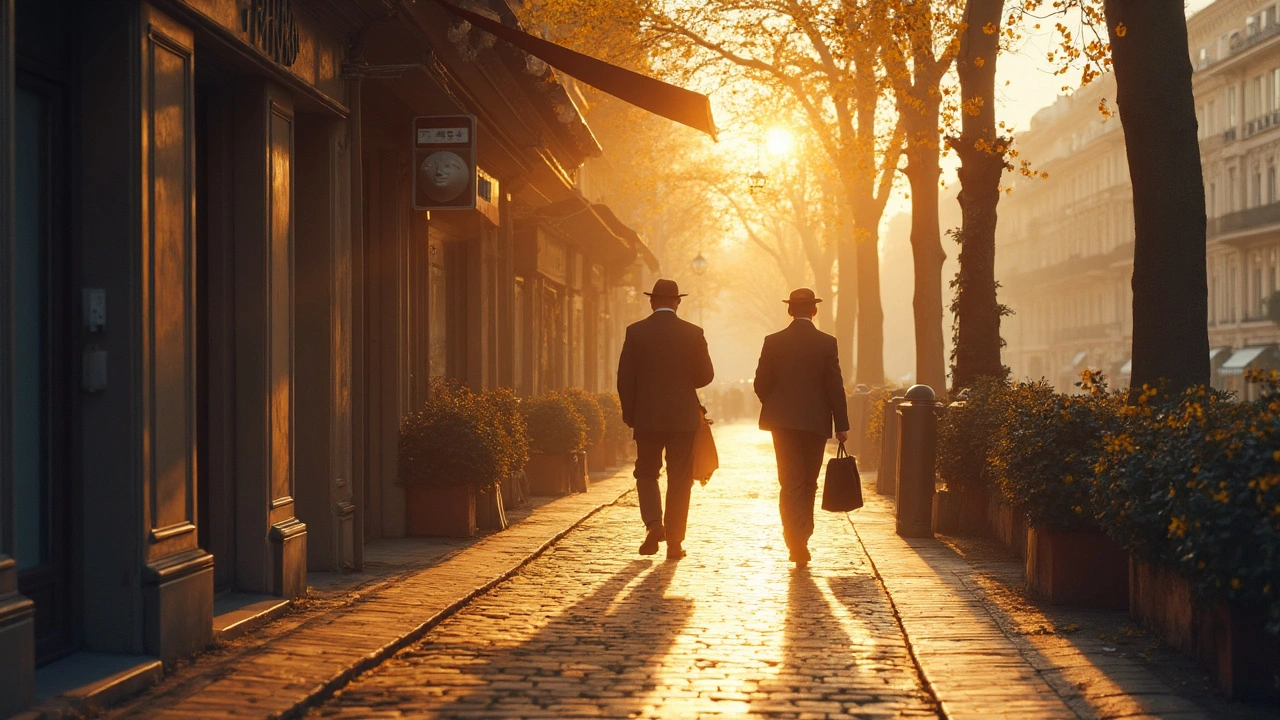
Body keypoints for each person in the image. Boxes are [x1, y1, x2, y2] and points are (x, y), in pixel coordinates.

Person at [617, 278, 715, 560]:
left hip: (647, 417)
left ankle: (653, 524)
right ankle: (674, 542)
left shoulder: (636, 332)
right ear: (677, 302)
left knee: (646, 473)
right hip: (683, 419)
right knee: (680, 477)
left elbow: (625, 379)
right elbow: (705, 376)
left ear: (651, 302)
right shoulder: (693, 333)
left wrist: (630, 414)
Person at [754, 288, 850, 568]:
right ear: (814, 311)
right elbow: (835, 386)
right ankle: (803, 535)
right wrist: (841, 424)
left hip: (782, 423)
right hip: (815, 422)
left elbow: (761, 383)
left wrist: (774, 404)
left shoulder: (773, 342)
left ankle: (793, 539)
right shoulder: (826, 343)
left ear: (789, 310)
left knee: (789, 482)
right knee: (809, 481)